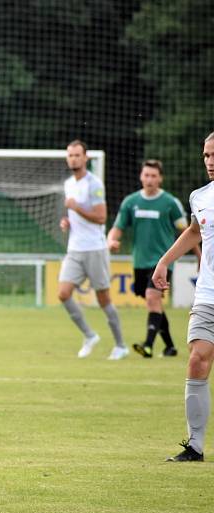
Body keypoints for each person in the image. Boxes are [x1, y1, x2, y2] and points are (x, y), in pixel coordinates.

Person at [153, 132, 214, 462]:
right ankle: (195, 446)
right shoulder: (200, 197)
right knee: (196, 358)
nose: (209, 161)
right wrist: (165, 261)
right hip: (208, 294)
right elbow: (194, 231)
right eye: (206, 155)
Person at [107, 159, 199, 358]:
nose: (149, 179)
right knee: (153, 303)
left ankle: (148, 346)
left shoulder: (170, 203)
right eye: (146, 175)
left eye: (153, 176)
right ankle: (170, 347)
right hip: (140, 262)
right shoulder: (130, 202)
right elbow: (118, 227)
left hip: (163, 262)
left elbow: (190, 232)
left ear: (160, 179)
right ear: (141, 176)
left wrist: (200, 258)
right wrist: (112, 240)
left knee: (152, 297)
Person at [58, 140, 129, 360]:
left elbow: (100, 217)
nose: (73, 159)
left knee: (103, 299)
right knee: (63, 293)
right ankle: (89, 335)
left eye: (77, 155)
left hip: (95, 249)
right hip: (75, 249)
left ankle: (120, 345)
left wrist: (76, 208)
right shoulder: (69, 183)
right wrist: (67, 221)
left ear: (86, 158)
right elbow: (74, 214)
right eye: (70, 155)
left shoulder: (94, 184)